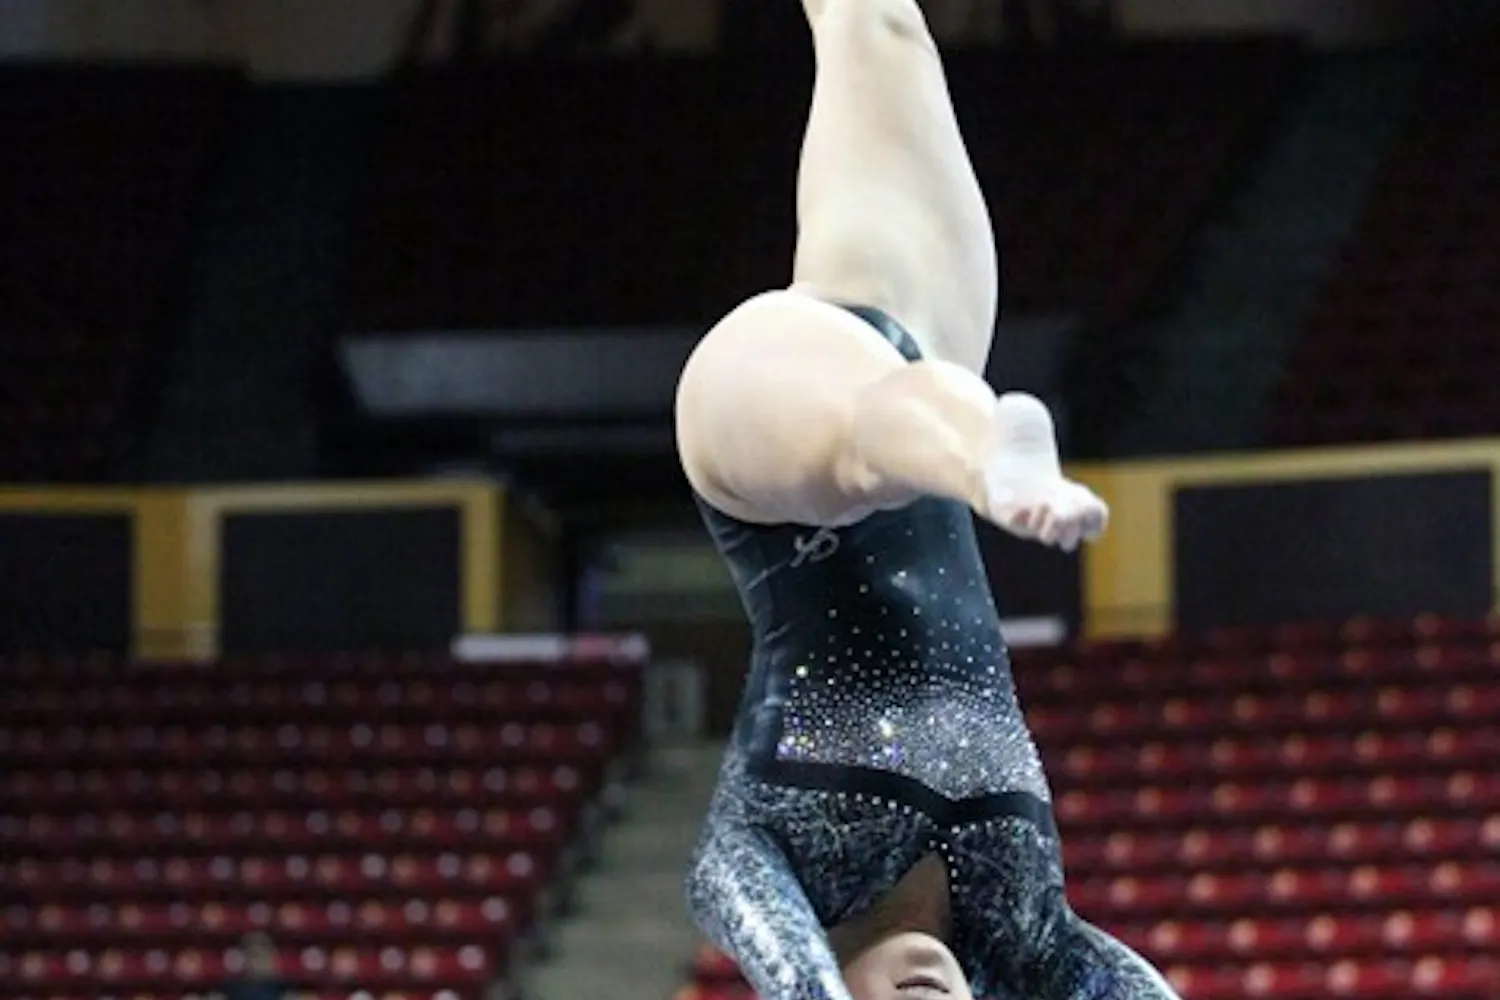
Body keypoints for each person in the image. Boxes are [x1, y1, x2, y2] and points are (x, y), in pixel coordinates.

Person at [673, 1, 1180, 998]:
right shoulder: (1023, 926)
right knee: (882, 25)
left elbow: (754, 928)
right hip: (915, 346)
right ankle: (979, 449)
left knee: (864, 448)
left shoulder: (767, 882)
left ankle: (992, 456)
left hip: (766, 452)